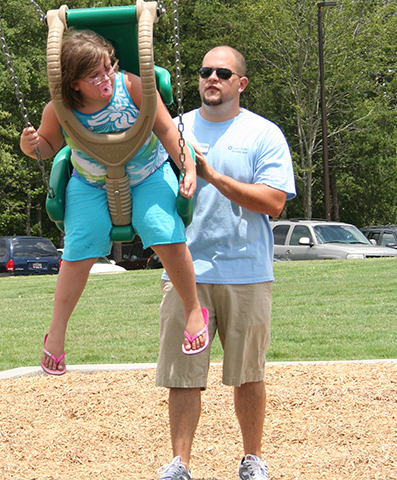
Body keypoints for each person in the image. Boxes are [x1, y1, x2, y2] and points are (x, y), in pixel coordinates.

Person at [20, 30, 208, 376]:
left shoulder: (133, 87)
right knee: (79, 250)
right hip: (90, 182)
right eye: (94, 76)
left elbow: (169, 133)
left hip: (146, 174)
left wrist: (188, 167)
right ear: (74, 84)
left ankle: (194, 309)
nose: (106, 78)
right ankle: (57, 332)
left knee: (162, 230)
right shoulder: (60, 109)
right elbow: (45, 146)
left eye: (108, 67)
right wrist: (30, 143)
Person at [155, 46, 296, 480]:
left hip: (247, 273)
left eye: (222, 72)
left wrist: (212, 175)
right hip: (185, 276)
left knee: (248, 375)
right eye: (205, 72)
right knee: (183, 376)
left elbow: (273, 203)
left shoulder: (263, 134)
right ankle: (180, 465)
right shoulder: (173, 130)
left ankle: (252, 459)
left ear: (241, 83)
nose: (211, 78)